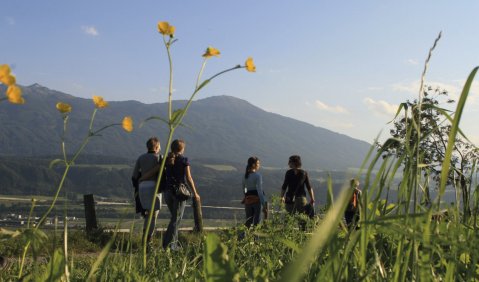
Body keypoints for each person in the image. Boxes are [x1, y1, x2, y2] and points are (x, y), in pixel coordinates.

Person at [163, 139, 200, 250]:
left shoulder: (167, 159)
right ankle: (170, 245)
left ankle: (172, 243)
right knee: (176, 219)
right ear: (182, 149)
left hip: (167, 191)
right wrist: (195, 193)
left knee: (174, 218)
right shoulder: (183, 160)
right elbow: (188, 178)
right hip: (179, 192)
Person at [131, 137, 162, 246]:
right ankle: (148, 240)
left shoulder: (141, 158)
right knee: (153, 216)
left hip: (142, 187)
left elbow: (134, 175)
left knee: (147, 214)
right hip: (154, 187)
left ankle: (144, 237)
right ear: (157, 147)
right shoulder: (158, 158)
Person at [280, 155, 315, 221]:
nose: (288, 163)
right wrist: (312, 198)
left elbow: (284, 186)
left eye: (289, 162)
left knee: (289, 218)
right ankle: (302, 230)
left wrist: (281, 197)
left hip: (289, 198)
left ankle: (288, 230)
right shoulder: (304, 173)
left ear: (294, 163)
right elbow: (309, 187)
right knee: (302, 218)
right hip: (301, 199)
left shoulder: (288, 173)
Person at [242, 157, 267, 228]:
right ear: (253, 165)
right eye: (258, 163)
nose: (259, 165)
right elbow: (259, 191)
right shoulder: (257, 176)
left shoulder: (244, 176)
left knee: (248, 222)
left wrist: (246, 196)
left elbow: (245, 189)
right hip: (257, 201)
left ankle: (243, 238)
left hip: (248, 201)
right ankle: (255, 238)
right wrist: (264, 204)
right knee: (257, 222)